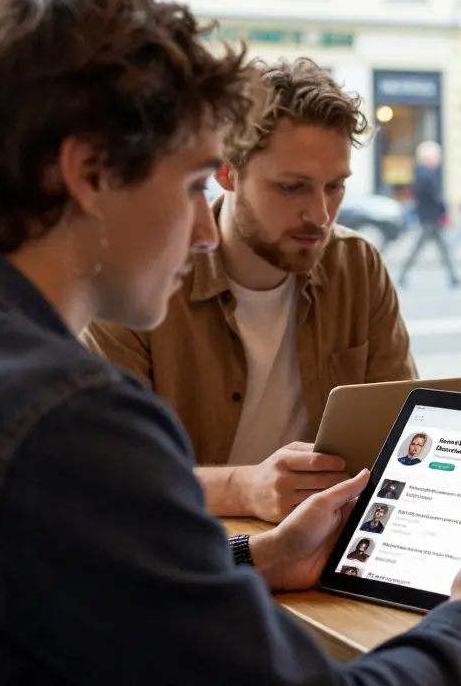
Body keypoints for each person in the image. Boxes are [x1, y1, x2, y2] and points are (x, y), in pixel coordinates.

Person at [0, 0, 461, 684]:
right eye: (189, 186)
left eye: (334, 188)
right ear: (88, 172)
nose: (205, 226)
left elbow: (106, 573)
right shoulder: (70, 422)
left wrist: (258, 556)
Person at [82, 57, 419, 523]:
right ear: (226, 172)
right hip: (193, 545)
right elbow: (108, 474)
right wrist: (244, 489)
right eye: (292, 187)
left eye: (335, 187)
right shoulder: (142, 278)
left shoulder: (357, 265)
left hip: (327, 538)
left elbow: (407, 433)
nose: (320, 215)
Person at [398, 141, 461, 289]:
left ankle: (453, 278)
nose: (439, 159)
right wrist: (444, 211)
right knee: (421, 249)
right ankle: (402, 275)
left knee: (440, 248)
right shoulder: (428, 175)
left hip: (428, 217)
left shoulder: (420, 173)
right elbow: (435, 196)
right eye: (436, 156)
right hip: (431, 218)